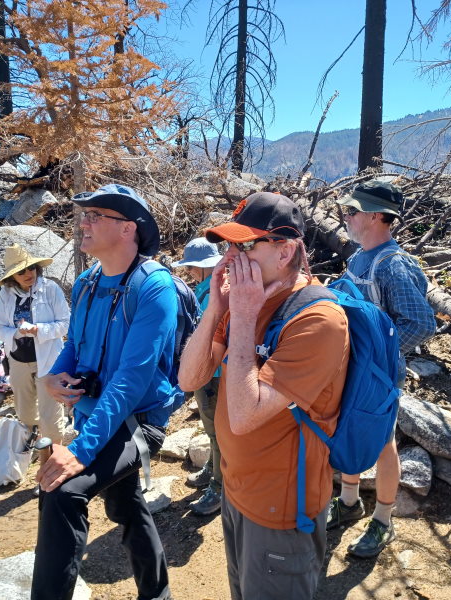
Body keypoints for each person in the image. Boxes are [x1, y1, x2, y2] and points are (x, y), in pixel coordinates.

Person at [179, 192, 350, 600]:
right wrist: (217, 308)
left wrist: (243, 313)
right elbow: (189, 379)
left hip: (281, 510)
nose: (232, 257)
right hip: (238, 493)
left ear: (286, 250)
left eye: (245, 245)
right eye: (229, 246)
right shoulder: (246, 302)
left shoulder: (319, 321)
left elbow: (243, 415)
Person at [35, 183, 178, 600]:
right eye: (84, 214)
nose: (84, 222)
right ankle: (158, 594)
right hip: (96, 417)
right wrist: (54, 376)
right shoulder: (88, 281)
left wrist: (79, 452)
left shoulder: (155, 289)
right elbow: (75, 346)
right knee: (125, 505)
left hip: (137, 423)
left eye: (96, 216)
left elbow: (132, 380)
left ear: (128, 229)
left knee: (62, 491)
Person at [328, 180, 436, 557]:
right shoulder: (360, 258)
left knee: (383, 441)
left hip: (377, 374)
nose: (346, 216)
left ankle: (383, 521)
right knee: (350, 431)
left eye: (352, 211)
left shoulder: (394, 265)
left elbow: (422, 323)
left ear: (375, 217)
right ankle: (348, 502)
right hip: (355, 368)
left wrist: (379, 355)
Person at [0, 244, 70, 470]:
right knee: (26, 414)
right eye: (22, 272)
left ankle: (53, 463)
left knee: (51, 417)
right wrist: (18, 331)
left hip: (49, 361)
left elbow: (65, 324)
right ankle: (41, 443)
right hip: (18, 360)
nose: (28, 275)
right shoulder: (6, 295)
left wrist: (38, 330)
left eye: (31, 269)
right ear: (12, 277)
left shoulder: (50, 289)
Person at [172, 237, 224, 516]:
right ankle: (214, 469)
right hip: (207, 370)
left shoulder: (217, 291)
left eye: (193, 266)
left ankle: (219, 484)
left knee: (216, 431)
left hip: (214, 372)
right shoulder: (207, 288)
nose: (190, 271)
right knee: (210, 427)